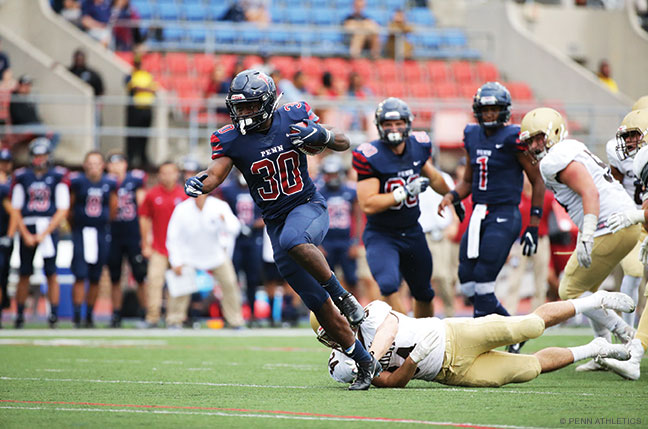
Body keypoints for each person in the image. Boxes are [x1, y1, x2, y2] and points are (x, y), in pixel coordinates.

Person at [184, 69, 379, 390]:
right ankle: (363, 360)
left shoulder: (293, 115)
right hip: (275, 222)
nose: (243, 113)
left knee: (294, 240)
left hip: (307, 207)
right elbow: (215, 174)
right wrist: (198, 183)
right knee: (316, 302)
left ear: (267, 102)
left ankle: (345, 297)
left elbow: (343, 142)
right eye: (239, 107)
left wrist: (325, 137)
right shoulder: (230, 137)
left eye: (249, 106)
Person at [318, 292, 635, 388]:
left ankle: (594, 300)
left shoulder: (370, 313)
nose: (342, 325)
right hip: (449, 373)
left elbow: (386, 328)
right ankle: (595, 347)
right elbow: (391, 382)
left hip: (453, 334)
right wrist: (414, 360)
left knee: (529, 327)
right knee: (528, 369)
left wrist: (368, 357)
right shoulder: (340, 366)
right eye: (334, 327)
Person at [520, 107, 637, 348]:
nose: (534, 146)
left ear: (554, 132)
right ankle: (602, 348)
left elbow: (589, 192)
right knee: (588, 290)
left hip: (610, 226)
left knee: (570, 290)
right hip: (623, 223)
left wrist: (587, 235)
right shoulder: (571, 148)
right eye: (530, 141)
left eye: (538, 138)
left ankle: (624, 332)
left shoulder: (554, 160)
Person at [438, 82, 546, 337]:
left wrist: (533, 224)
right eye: (485, 110)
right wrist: (452, 196)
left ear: (504, 111)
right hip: (478, 214)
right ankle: (515, 332)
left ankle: (478, 342)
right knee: (467, 284)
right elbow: (468, 181)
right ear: (477, 110)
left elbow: (537, 181)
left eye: (494, 109)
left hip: (505, 213)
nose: (489, 114)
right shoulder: (472, 134)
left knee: (484, 281)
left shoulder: (513, 137)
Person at [352, 97, 461, 317]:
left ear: (408, 123)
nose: (394, 129)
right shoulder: (370, 155)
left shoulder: (418, 146)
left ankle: (425, 339)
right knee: (389, 285)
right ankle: (407, 335)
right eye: (388, 124)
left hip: (412, 231)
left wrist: (453, 196)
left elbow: (435, 178)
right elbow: (368, 203)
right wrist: (403, 192)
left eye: (398, 123)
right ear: (379, 127)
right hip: (382, 234)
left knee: (424, 292)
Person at [593, 111, 648, 380]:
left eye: (634, 135)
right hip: (634, 224)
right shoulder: (625, 158)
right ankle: (631, 348)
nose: (628, 141)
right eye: (625, 136)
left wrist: (638, 215)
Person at [11, 138, 69, 328]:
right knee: (24, 272)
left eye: (42, 155)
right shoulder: (22, 177)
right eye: (36, 156)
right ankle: (19, 314)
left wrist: (45, 232)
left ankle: (53, 315)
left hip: (48, 227)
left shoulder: (57, 176)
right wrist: (26, 233)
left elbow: (62, 208)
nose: (39, 159)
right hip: (28, 226)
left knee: (51, 273)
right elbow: (16, 208)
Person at [166, 192, 244, 329]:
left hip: (215, 255)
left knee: (230, 283)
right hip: (189, 256)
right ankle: (174, 320)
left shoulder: (219, 206)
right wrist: (176, 261)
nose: (199, 196)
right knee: (180, 286)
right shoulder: (182, 209)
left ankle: (235, 321)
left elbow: (235, 228)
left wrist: (224, 220)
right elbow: (173, 237)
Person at [69, 151, 117, 328]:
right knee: (80, 275)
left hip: (99, 231)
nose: (94, 167)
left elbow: (113, 208)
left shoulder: (109, 183)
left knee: (96, 276)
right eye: (90, 163)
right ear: (84, 165)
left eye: (97, 163)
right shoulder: (78, 182)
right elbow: (70, 208)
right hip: (81, 231)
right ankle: (76, 315)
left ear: (103, 165)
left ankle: (89, 315)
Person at [140, 162, 187, 328]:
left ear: (176, 174)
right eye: (163, 173)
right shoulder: (152, 195)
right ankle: (152, 317)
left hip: (179, 250)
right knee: (154, 281)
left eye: (170, 173)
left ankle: (175, 318)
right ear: (159, 175)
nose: (167, 176)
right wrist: (146, 243)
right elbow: (144, 218)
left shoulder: (184, 195)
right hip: (159, 247)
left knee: (179, 284)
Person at [106, 152, 147, 328]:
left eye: (119, 162)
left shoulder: (134, 180)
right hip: (113, 234)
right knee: (115, 278)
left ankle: (145, 313)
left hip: (132, 233)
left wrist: (146, 238)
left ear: (125, 164)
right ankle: (116, 314)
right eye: (112, 163)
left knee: (140, 275)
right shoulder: (105, 183)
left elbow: (143, 208)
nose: (116, 166)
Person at [220, 170, 264, 327]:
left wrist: (255, 224)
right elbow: (220, 209)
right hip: (234, 239)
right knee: (232, 279)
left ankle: (252, 314)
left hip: (254, 239)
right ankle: (231, 315)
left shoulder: (260, 186)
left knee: (253, 279)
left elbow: (268, 212)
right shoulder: (228, 189)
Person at [317, 155, 360, 297]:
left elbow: (358, 218)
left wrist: (355, 242)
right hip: (327, 241)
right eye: (329, 174)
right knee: (325, 279)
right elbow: (314, 220)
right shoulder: (319, 193)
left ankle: (358, 310)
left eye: (334, 173)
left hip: (346, 241)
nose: (332, 177)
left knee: (352, 279)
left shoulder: (350, 191)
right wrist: (318, 244)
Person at [9, 75, 60, 148]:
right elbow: (18, 117)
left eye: (29, 86)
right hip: (23, 126)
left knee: (56, 134)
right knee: (50, 134)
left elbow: (35, 116)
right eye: (25, 85)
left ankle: (45, 154)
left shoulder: (28, 98)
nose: (28, 88)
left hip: (34, 125)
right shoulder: (15, 98)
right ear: (20, 86)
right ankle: (44, 154)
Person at [125, 56, 156, 170]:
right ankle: (131, 158)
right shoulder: (131, 75)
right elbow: (133, 87)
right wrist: (145, 88)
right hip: (135, 109)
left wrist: (144, 88)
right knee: (132, 135)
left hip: (146, 108)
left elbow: (153, 88)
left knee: (144, 135)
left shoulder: (146, 75)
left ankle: (143, 158)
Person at [0, 149, 15, 327]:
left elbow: (14, 212)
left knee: (4, 274)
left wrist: (10, 235)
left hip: (4, 235)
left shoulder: (12, 183)